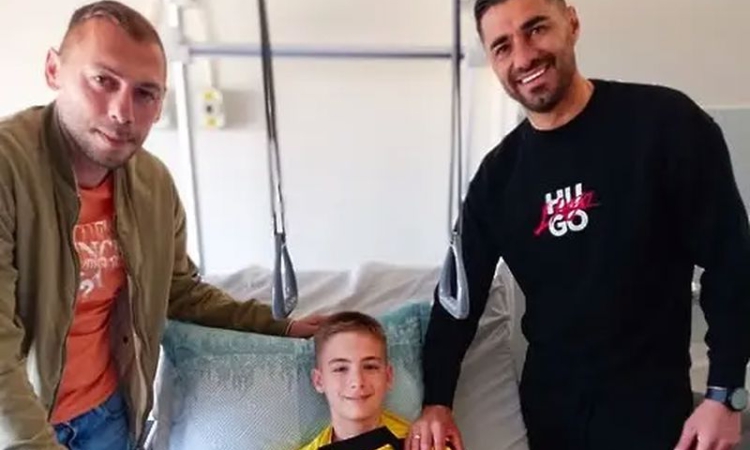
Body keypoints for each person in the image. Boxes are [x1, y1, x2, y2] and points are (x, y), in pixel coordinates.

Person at [407, 1, 750, 449]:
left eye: (536, 29)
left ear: (571, 22)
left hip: (654, 415)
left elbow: (732, 263)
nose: (523, 56)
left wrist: (725, 393)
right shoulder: (497, 178)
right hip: (551, 419)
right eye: (502, 47)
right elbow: (457, 302)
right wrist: (436, 401)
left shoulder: (666, 124)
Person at [0, 2, 324, 449]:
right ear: (54, 70)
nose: (123, 111)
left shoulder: (152, 185)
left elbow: (178, 291)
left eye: (144, 93)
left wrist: (279, 327)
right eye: (103, 81)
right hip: (17, 424)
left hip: (110, 416)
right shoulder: (9, 170)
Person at [299, 312, 446, 450]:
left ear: (388, 377)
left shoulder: (424, 445)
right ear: (319, 381)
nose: (357, 382)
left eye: (370, 367)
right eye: (341, 369)